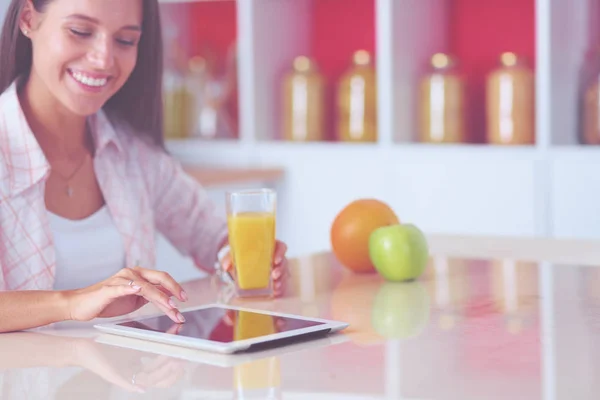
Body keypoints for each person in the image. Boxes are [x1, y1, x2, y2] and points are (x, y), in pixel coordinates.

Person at [0, 0, 289, 333]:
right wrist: (74, 302)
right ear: (27, 19)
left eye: (125, 41)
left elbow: (214, 237)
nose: (104, 58)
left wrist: (246, 260)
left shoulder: (134, 155)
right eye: (80, 31)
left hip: (128, 380)